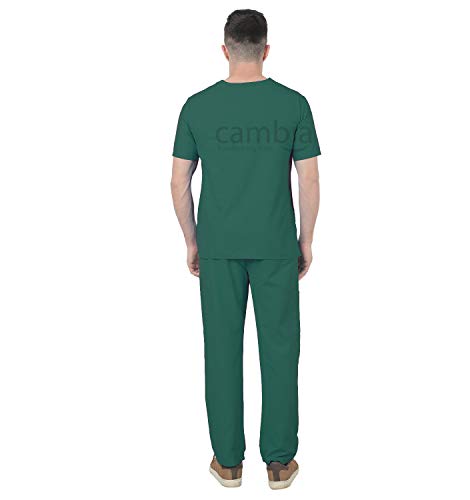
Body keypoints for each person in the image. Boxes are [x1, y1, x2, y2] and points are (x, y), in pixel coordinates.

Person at [171, 9, 320, 490]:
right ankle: (279, 463)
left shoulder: (196, 107)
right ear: (266, 50)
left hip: (218, 246)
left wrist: (192, 240)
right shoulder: (294, 104)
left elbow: (178, 181)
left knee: (221, 351)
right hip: (276, 244)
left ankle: (228, 462)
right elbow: (309, 179)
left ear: (225, 50)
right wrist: (305, 241)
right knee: (280, 350)